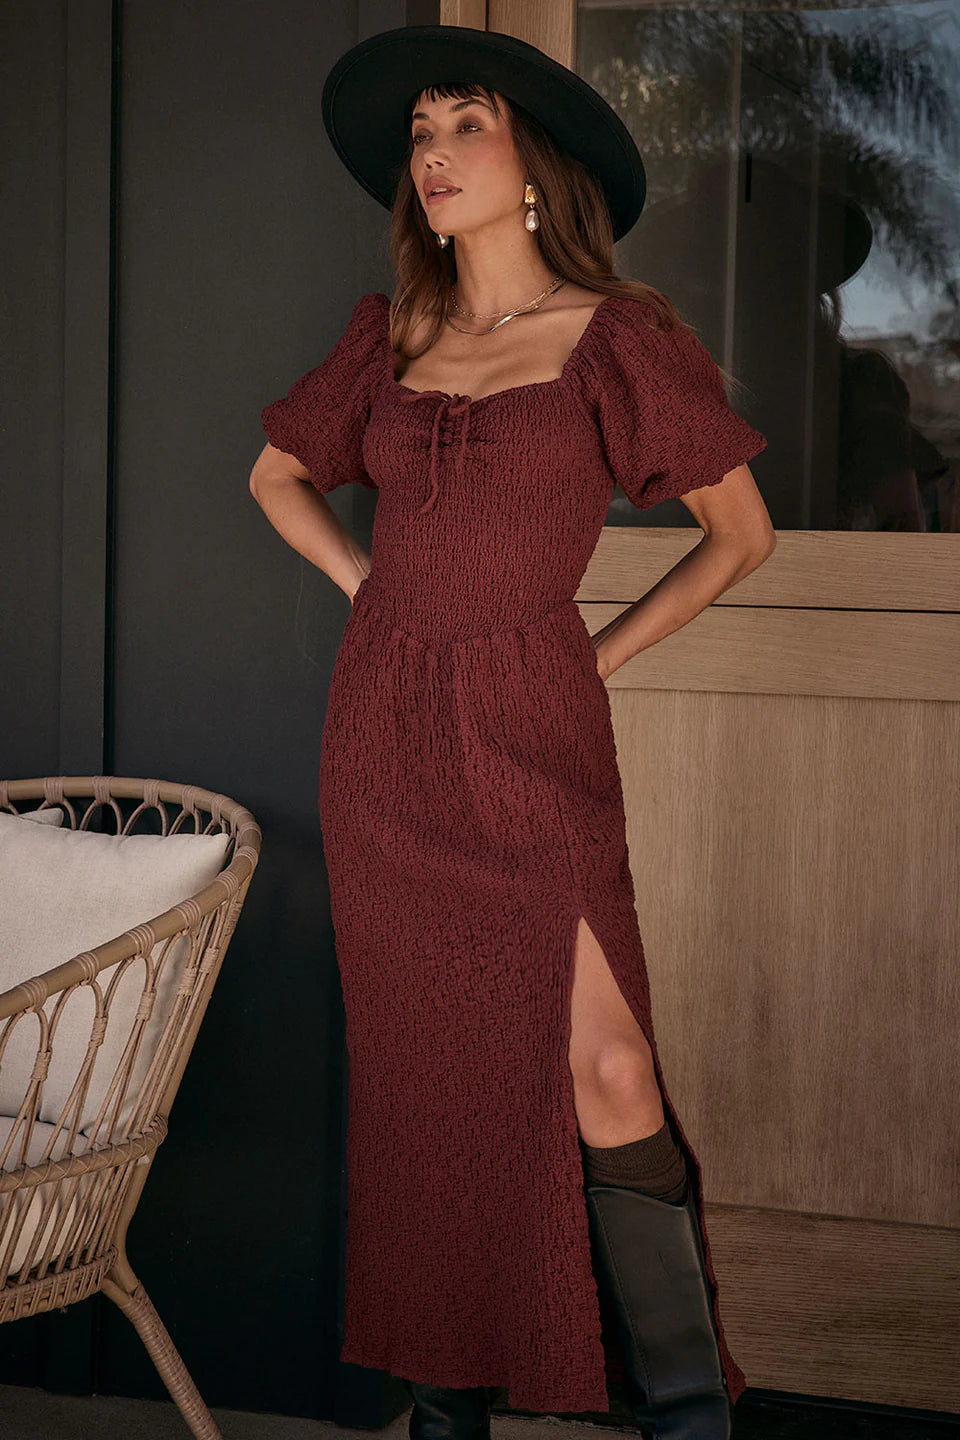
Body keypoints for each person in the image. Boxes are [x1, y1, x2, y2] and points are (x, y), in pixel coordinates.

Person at [250, 24, 774, 1440]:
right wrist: (377, 586)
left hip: (535, 735)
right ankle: (443, 1407)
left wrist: (594, 652)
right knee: (431, 1085)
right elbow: (275, 474)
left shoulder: (620, 341)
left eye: (461, 125)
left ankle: (685, 1413)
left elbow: (742, 533)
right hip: (387, 743)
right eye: (419, 134)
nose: (431, 154)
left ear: (533, 167)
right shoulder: (395, 334)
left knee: (610, 1070)